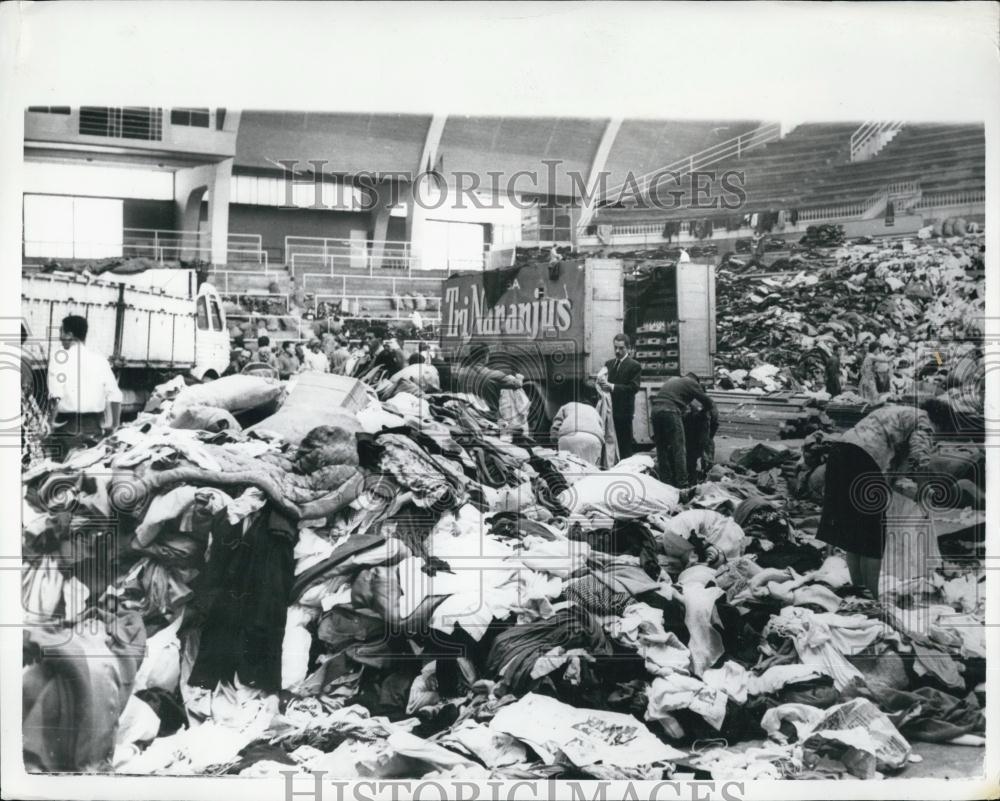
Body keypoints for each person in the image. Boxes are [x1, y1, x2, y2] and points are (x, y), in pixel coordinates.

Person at [816, 399, 950, 598]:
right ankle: (872, 596)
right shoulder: (924, 420)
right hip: (864, 458)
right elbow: (919, 457)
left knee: (855, 535)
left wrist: (911, 492)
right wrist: (922, 488)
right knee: (872, 536)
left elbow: (891, 474)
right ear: (939, 423)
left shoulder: (899, 415)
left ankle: (860, 593)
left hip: (840, 453)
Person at [46, 314, 123, 459]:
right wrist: (113, 426)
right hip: (94, 427)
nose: (60, 337)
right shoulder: (100, 360)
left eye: (61, 332)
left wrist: (50, 425)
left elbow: (56, 396)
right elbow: (115, 395)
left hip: (66, 427)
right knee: (87, 471)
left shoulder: (59, 359)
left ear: (70, 334)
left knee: (62, 472)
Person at [650, 372, 716, 488]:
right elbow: (708, 402)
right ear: (696, 381)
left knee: (662, 448)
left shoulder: (673, 381)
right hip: (670, 410)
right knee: (679, 448)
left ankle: (665, 481)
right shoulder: (691, 382)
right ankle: (682, 483)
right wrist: (704, 412)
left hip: (655, 411)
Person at [597, 334, 641, 459]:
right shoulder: (609, 364)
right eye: (615, 347)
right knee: (609, 445)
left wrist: (611, 386)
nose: (617, 351)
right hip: (609, 412)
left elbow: (633, 388)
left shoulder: (634, 365)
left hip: (624, 413)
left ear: (628, 348)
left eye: (621, 348)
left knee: (624, 446)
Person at [550, 399, 605, 466]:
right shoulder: (595, 412)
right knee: (589, 471)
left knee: (567, 468)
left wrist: (554, 443)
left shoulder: (568, 405)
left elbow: (556, 426)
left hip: (570, 436)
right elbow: (603, 431)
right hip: (593, 439)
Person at [683, 397, 718, 483]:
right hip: (698, 435)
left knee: (693, 459)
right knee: (700, 458)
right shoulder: (708, 403)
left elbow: (714, 423)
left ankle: (697, 476)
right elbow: (715, 423)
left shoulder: (690, 403)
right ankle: (702, 476)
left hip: (696, 435)